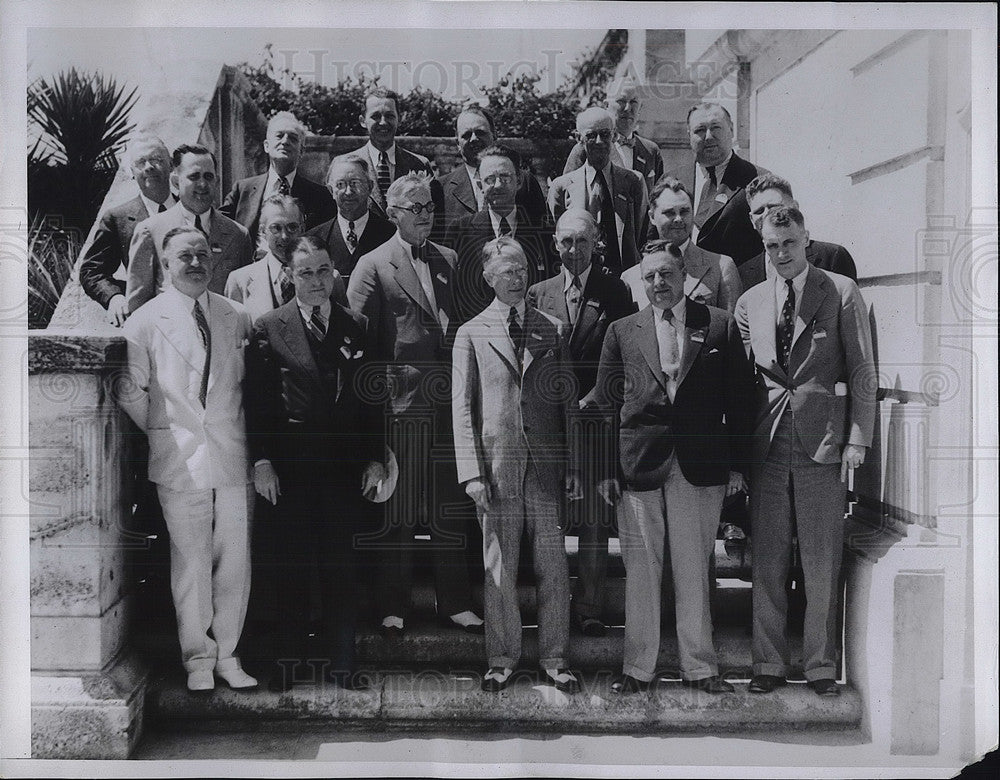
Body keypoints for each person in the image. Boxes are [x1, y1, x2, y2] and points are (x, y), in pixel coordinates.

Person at [590, 240, 754, 694]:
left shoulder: (717, 325)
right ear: (640, 282)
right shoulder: (622, 330)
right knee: (641, 571)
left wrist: (740, 465)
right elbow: (605, 406)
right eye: (650, 276)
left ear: (684, 276)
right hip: (638, 466)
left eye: (666, 274)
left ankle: (700, 667)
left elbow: (740, 401)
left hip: (699, 467)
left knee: (693, 570)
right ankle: (637, 669)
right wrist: (605, 469)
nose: (659, 283)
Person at [734, 206, 876, 697]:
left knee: (821, 560)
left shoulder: (840, 291)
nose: (780, 254)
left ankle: (820, 666)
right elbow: (748, 377)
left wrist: (858, 437)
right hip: (768, 443)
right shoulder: (750, 300)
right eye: (771, 247)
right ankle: (767, 664)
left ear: (806, 240)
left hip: (824, 444)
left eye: (789, 244)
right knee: (768, 560)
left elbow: (862, 370)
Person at [245, 235, 386, 693]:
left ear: (334, 274)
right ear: (289, 276)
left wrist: (374, 457)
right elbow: (259, 402)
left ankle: (342, 664)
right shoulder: (270, 326)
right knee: (292, 566)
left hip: (343, 469)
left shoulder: (355, 324)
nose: (316, 281)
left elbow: (370, 400)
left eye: (324, 271)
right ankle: (287, 665)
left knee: (341, 568)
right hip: (292, 469)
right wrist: (262, 459)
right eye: (305, 272)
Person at [118, 226, 256, 693]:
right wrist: (162, 430)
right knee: (191, 561)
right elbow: (130, 390)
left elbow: (248, 386)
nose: (195, 262)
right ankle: (198, 657)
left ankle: (229, 653)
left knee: (234, 558)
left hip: (233, 451)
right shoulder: (144, 320)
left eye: (202, 253)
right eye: (184, 256)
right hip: (178, 458)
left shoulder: (236, 315)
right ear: (165, 262)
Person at [347, 172, 483, 636]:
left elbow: (464, 325)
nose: (427, 215)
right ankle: (393, 605)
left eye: (430, 207)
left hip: (448, 406)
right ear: (393, 213)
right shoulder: (373, 264)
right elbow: (359, 345)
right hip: (399, 408)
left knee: (449, 505)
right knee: (399, 509)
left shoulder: (448, 258)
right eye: (417, 208)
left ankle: (457, 602)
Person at [452, 236, 582, 694]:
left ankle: (555, 657)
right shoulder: (470, 332)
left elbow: (568, 404)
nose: (517, 277)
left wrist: (573, 465)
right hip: (497, 468)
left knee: (553, 566)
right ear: (488, 276)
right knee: (499, 566)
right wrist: (471, 473)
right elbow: (463, 408)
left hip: (546, 468)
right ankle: (502, 657)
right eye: (507, 270)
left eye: (523, 269)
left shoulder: (553, 328)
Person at [526, 209, 635, 636]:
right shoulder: (537, 292)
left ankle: (590, 606)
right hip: (550, 424)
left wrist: (596, 399)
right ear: (555, 244)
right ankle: (546, 604)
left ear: (597, 244)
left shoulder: (616, 290)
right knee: (547, 516)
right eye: (566, 242)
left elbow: (624, 354)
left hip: (593, 421)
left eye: (583, 242)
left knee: (593, 517)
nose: (574, 250)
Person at [125, 144, 253, 313]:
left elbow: (245, 299)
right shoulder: (151, 231)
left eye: (208, 177)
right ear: (176, 181)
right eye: (194, 177)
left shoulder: (238, 235)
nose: (202, 184)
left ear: (217, 181)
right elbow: (137, 306)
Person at [445, 144, 556, 324]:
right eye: (490, 179)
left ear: (519, 181)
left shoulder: (542, 232)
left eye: (505, 177)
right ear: (480, 185)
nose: (498, 185)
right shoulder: (460, 231)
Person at [80, 135, 176, 326]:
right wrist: (114, 297)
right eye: (141, 162)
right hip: (145, 320)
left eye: (156, 159)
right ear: (132, 171)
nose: (149, 166)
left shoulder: (191, 210)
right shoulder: (117, 218)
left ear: (171, 164)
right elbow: (92, 270)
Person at [547, 107, 648, 275]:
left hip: (625, 277)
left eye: (605, 134)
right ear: (579, 138)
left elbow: (642, 232)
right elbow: (555, 241)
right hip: (580, 277)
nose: (599, 141)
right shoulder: (562, 187)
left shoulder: (633, 181)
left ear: (614, 136)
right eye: (591, 135)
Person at [621, 177, 742, 312]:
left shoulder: (721, 267)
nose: (678, 219)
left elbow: (730, 328)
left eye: (684, 211)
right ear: (652, 217)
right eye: (669, 212)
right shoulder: (630, 278)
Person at [225, 195, 347, 322]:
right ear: (263, 231)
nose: (284, 236)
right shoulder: (240, 281)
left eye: (292, 227)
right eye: (276, 228)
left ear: (302, 229)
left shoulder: (331, 277)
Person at [669, 102, 764, 264]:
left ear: (731, 129)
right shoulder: (671, 180)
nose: (708, 136)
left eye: (716, 128)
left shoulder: (758, 180)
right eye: (699, 130)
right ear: (689, 135)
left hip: (737, 283)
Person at [435, 104, 548, 234]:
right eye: (466, 135)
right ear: (457, 143)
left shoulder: (525, 181)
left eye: (480, 132)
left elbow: (541, 235)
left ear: (494, 135)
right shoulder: (441, 189)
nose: (473, 139)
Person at [220, 111, 334, 238]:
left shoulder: (320, 196)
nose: (285, 141)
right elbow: (217, 224)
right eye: (279, 136)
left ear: (301, 150)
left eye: (293, 138)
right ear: (266, 146)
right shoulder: (242, 190)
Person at [738, 173, 859, 289]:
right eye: (759, 211)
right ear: (752, 220)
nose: (766, 215)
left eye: (774, 207)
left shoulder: (832, 257)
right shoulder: (743, 274)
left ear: (795, 207)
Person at [562, 77, 663, 193]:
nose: (628, 108)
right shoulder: (587, 146)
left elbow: (659, 198)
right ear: (606, 106)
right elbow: (567, 191)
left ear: (640, 108)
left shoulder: (651, 151)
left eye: (634, 102)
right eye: (621, 101)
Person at [306, 154, 397, 283]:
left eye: (355, 183)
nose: (348, 191)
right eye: (340, 184)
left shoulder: (392, 235)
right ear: (331, 191)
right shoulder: (313, 240)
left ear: (370, 187)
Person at [347, 88, 434, 212]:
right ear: (363, 121)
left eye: (389, 116)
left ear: (399, 118)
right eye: (375, 116)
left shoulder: (420, 165)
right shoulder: (346, 165)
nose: (383, 122)